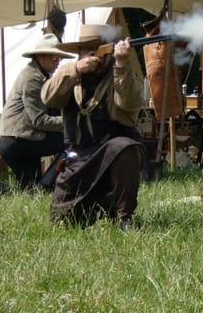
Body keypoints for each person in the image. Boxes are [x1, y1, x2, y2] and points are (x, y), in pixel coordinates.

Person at [41, 24, 146, 230]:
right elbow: (48, 97)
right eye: (83, 49)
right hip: (79, 159)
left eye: (95, 48)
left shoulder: (120, 73)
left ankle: (124, 217)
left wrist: (123, 64)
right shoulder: (70, 74)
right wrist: (75, 69)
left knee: (124, 147)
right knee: (63, 220)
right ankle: (105, 205)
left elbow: (130, 103)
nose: (88, 53)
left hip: (113, 157)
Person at [0, 33, 74, 189]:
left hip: (18, 140)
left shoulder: (38, 75)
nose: (58, 61)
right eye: (54, 58)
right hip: (18, 141)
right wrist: (71, 121)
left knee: (28, 190)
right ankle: (49, 186)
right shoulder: (32, 78)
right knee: (72, 139)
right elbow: (39, 121)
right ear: (41, 57)